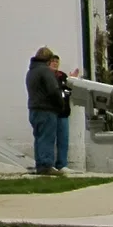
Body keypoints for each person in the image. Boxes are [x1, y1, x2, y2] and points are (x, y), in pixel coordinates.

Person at [26, 46, 63, 174]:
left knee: (38, 137)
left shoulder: (31, 72)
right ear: (48, 59)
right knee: (47, 137)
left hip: (33, 109)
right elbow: (53, 90)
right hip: (46, 110)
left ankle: (40, 165)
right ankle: (46, 165)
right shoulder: (46, 72)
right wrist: (60, 104)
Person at [49, 54, 83, 173]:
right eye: (53, 61)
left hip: (63, 113)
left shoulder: (62, 76)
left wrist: (72, 80)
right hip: (51, 113)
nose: (55, 63)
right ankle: (49, 165)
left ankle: (62, 164)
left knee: (63, 140)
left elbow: (68, 90)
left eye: (57, 61)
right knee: (49, 139)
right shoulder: (46, 75)